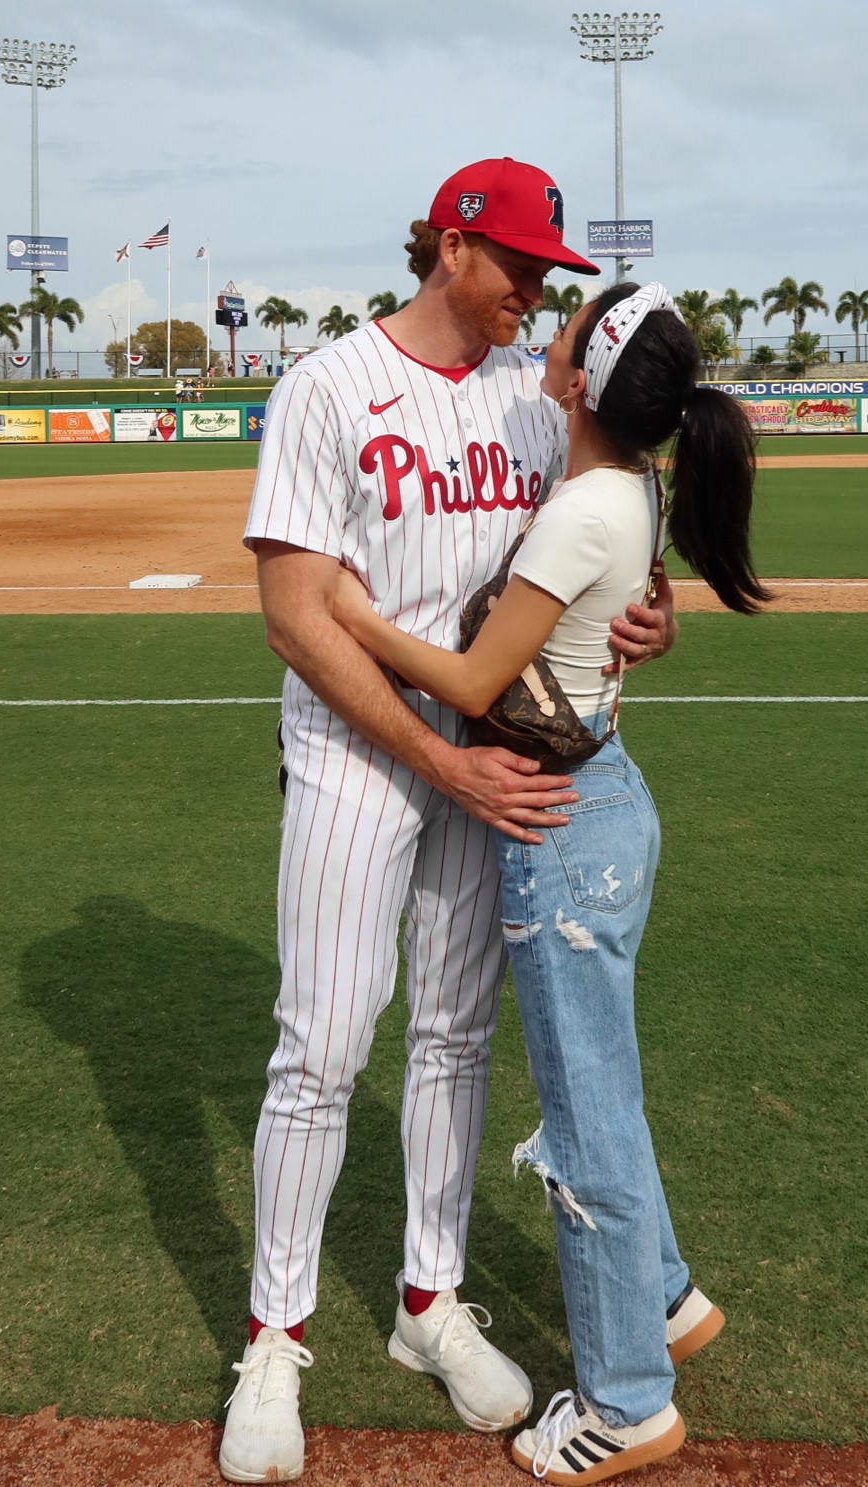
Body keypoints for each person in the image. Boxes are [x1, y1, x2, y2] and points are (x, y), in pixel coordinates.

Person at [225, 158, 675, 1484]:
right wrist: (440, 753)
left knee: (454, 1035)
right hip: (364, 760)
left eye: (547, 272)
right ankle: (274, 1336)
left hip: (488, 762)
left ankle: (430, 1300)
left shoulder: (535, 411)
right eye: (520, 263)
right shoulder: (325, 389)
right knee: (319, 1044)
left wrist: (653, 618)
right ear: (451, 246)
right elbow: (296, 616)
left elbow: (597, 561)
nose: (535, 290)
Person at [330, 281, 758, 1483]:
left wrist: (350, 614)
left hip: (561, 828)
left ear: (582, 375)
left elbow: (471, 686)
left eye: (570, 331)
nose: (549, 332)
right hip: (600, 799)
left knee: (584, 1124)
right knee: (603, 1091)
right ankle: (664, 1295)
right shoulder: (630, 480)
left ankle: (627, 1398)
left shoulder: (581, 508)